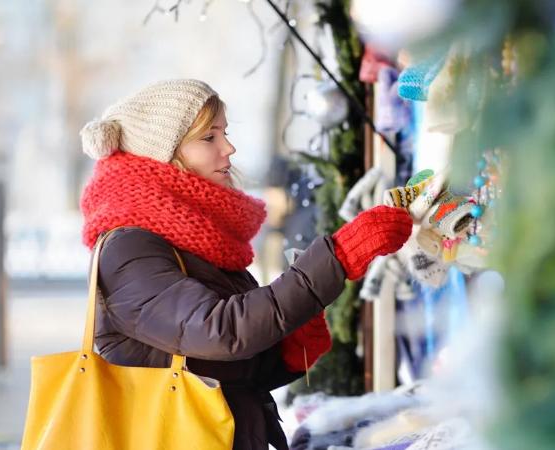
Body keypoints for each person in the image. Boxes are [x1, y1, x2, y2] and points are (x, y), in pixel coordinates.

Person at [78, 79, 412, 450]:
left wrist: (286, 353)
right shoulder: (130, 248)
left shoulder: (194, 241)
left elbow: (227, 372)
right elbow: (221, 331)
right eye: (209, 137)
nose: (229, 148)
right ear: (163, 154)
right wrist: (338, 257)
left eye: (225, 133)